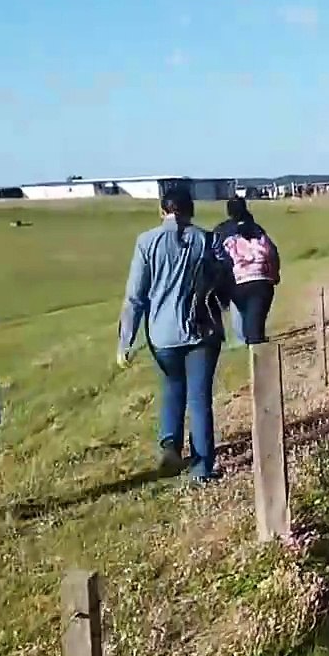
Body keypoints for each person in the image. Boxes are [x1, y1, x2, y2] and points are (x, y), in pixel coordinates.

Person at [118, 185, 232, 484]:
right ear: (190, 210)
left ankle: (170, 444)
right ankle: (202, 467)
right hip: (202, 330)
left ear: (162, 210)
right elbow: (227, 275)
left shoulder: (146, 242)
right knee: (199, 399)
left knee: (171, 385)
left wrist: (125, 342)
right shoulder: (207, 239)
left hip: (162, 333)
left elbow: (135, 297)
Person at [214, 197, 281, 344]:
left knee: (242, 317)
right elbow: (272, 252)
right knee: (255, 322)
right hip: (261, 279)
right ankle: (254, 344)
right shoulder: (257, 229)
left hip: (236, 281)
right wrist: (275, 274)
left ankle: (247, 344)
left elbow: (217, 258)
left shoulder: (221, 230)